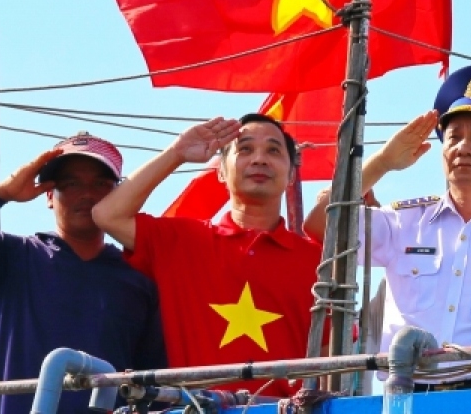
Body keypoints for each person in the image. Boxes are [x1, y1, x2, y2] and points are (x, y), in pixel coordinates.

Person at [305, 64, 471, 388]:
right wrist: (382, 162)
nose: (462, 147)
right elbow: (319, 225)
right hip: (405, 397)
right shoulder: (404, 222)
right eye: (453, 137)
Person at [0, 133, 166, 414]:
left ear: (117, 196)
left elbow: (154, 384)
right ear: (49, 195)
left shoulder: (140, 277)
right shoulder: (11, 256)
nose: (86, 194)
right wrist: (1, 192)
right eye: (70, 184)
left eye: (100, 183)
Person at [92, 114, 320, 397]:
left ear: (292, 175)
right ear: (221, 172)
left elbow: (331, 360)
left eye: (273, 150)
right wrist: (177, 153)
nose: (260, 159)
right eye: (245, 149)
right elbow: (107, 214)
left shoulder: (317, 261)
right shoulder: (180, 241)